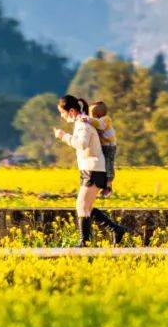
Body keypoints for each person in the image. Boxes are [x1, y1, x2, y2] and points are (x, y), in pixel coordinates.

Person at [54, 94, 128, 246]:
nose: (62, 117)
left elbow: (82, 144)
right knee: (87, 207)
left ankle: (84, 242)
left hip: (93, 170)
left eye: (62, 113)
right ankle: (116, 230)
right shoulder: (82, 123)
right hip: (91, 169)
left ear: (72, 111)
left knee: (81, 206)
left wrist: (63, 136)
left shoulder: (83, 124)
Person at [90, 100, 118, 195]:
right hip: (105, 146)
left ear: (97, 115)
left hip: (109, 147)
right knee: (103, 165)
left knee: (108, 165)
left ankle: (108, 187)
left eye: (91, 115)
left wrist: (88, 120)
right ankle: (104, 187)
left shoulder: (105, 119)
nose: (90, 117)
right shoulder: (99, 120)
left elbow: (100, 125)